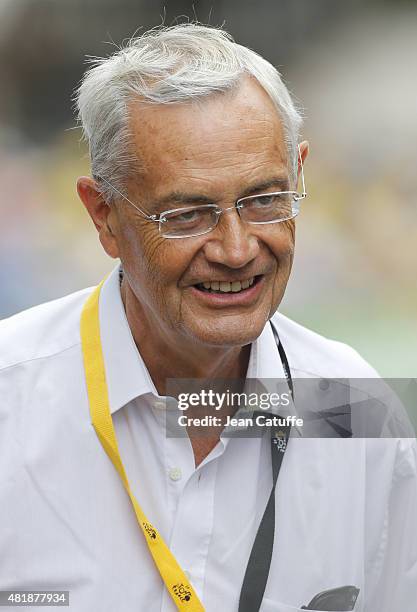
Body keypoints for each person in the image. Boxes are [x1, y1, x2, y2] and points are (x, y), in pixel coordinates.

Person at [0, 23, 416, 612]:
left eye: (265, 200)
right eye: (189, 214)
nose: (237, 248)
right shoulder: (11, 398)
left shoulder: (356, 416)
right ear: (104, 216)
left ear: (300, 174)